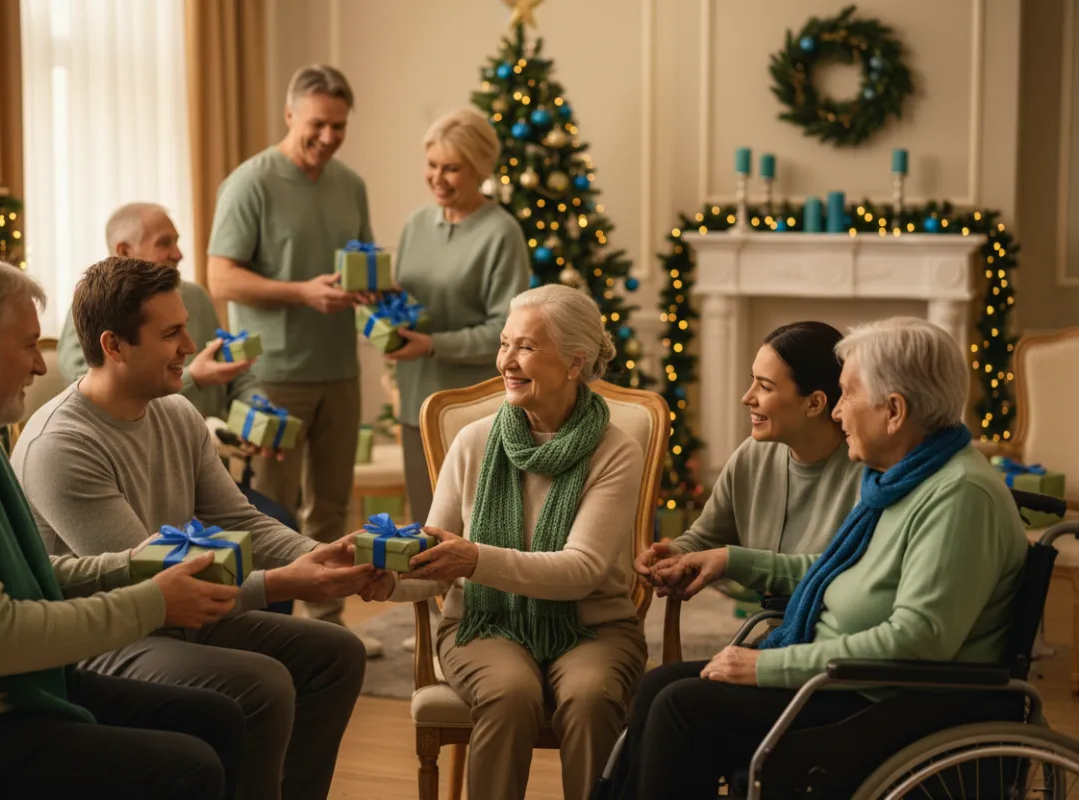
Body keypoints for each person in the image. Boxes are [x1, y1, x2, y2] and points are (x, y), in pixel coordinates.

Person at [0, 252, 247, 799]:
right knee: (186, 767)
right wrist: (154, 601)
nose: (38, 365)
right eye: (29, 344)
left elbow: (26, 575)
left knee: (220, 720)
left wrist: (132, 568)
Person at [11, 256, 380, 800]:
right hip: (105, 632)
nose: (191, 345)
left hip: (173, 611)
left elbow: (240, 521)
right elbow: (150, 586)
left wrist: (328, 555)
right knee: (264, 684)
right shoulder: (62, 445)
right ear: (114, 346)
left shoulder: (176, 413)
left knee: (336, 654)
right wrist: (287, 583)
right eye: (172, 333)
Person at [613, 317, 1028, 798]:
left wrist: (767, 667)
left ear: (893, 411)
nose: (837, 413)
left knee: (681, 708)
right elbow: (836, 568)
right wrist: (729, 560)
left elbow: (919, 640)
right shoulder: (900, 478)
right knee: (658, 687)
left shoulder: (958, 496)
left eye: (848, 395)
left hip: (888, 699)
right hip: (849, 680)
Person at [368, 285, 648, 800]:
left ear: (574, 363)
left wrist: (474, 557)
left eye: (525, 347)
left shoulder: (616, 452)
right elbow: (439, 563)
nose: (507, 362)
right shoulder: (474, 440)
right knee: (509, 692)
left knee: (589, 698)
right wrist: (384, 580)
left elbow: (581, 570)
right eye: (504, 344)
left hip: (593, 625)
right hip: (483, 619)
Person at [206, 64, 376, 647]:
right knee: (274, 512)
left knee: (330, 506)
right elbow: (220, 278)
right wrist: (302, 291)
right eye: (318, 124)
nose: (328, 137)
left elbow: (363, 258)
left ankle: (326, 627)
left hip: (341, 369)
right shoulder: (249, 183)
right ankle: (273, 628)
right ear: (289, 115)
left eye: (339, 126)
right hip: (274, 376)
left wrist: (371, 287)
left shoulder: (350, 185)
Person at [57, 203, 298, 532]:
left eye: (177, 241)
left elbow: (236, 374)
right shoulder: (92, 310)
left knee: (281, 523)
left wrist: (255, 416)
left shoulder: (195, 298)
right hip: (136, 485)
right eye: (164, 243)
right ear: (124, 250)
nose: (179, 253)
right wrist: (193, 378)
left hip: (207, 479)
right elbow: (99, 388)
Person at [634, 322, 863, 594]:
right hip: (771, 629)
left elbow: (842, 574)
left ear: (814, 403)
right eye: (752, 380)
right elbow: (706, 538)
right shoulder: (752, 455)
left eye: (765, 387)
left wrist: (732, 561)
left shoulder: (867, 469)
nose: (747, 397)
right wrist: (675, 554)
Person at [387, 107, 529, 524]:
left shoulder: (502, 233)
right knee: (423, 526)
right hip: (416, 402)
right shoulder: (416, 224)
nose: (437, 177)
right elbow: (410, 303)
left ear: (480, 168)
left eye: (452, 168)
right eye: (432, 165)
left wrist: (432, 346)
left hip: (473, 408)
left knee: (474, 528)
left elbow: (506, 335)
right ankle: (427, 595)